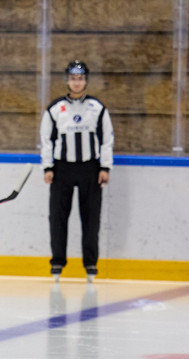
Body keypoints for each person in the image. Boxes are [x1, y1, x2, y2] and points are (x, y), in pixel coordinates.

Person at [40, 60, 114, 283]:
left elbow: (107, 139)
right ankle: (57, 262)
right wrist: (48, 167)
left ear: (86, 81)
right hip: (62, 169)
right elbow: (46, 140)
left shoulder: (97, 107)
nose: (76, 82)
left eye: (80, 79)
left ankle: (90, 263)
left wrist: (105, 167)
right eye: (73, 78)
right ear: (67, 80)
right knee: (58, 217)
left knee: (91, 218)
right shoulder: (55, 108)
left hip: (90, 169)